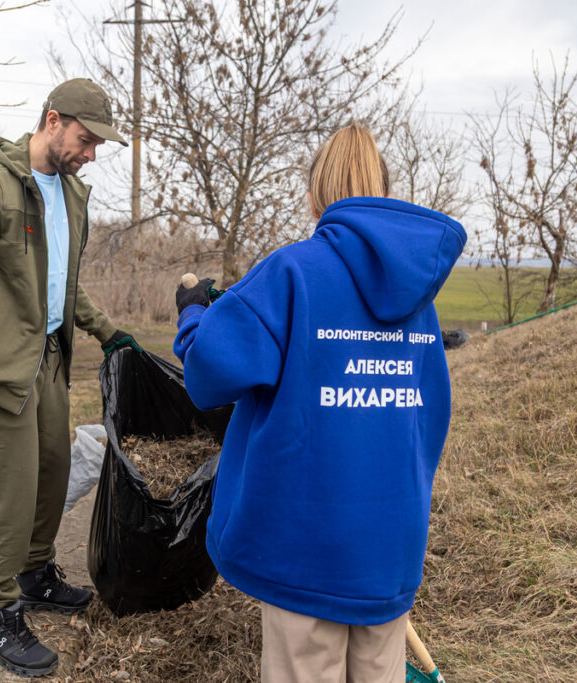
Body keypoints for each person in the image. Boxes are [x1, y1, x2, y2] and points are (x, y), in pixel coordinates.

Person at [172, 123, 466, 682]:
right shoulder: (418, 305)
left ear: (315, 198)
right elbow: (429, 421)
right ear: (383, 187)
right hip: (388, 550)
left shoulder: (291, 273)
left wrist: (193, 313)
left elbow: (208, 373)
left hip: (301, 545)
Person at [0, 78, 142, 677]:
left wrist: (106, 331)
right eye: (86, 138)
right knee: (10, 496)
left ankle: (36, 573)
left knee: (54, 471)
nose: (92, 153)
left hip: (48, 359)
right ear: (52, 120)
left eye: (98, 145)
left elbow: (62, 283)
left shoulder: (70, 194)